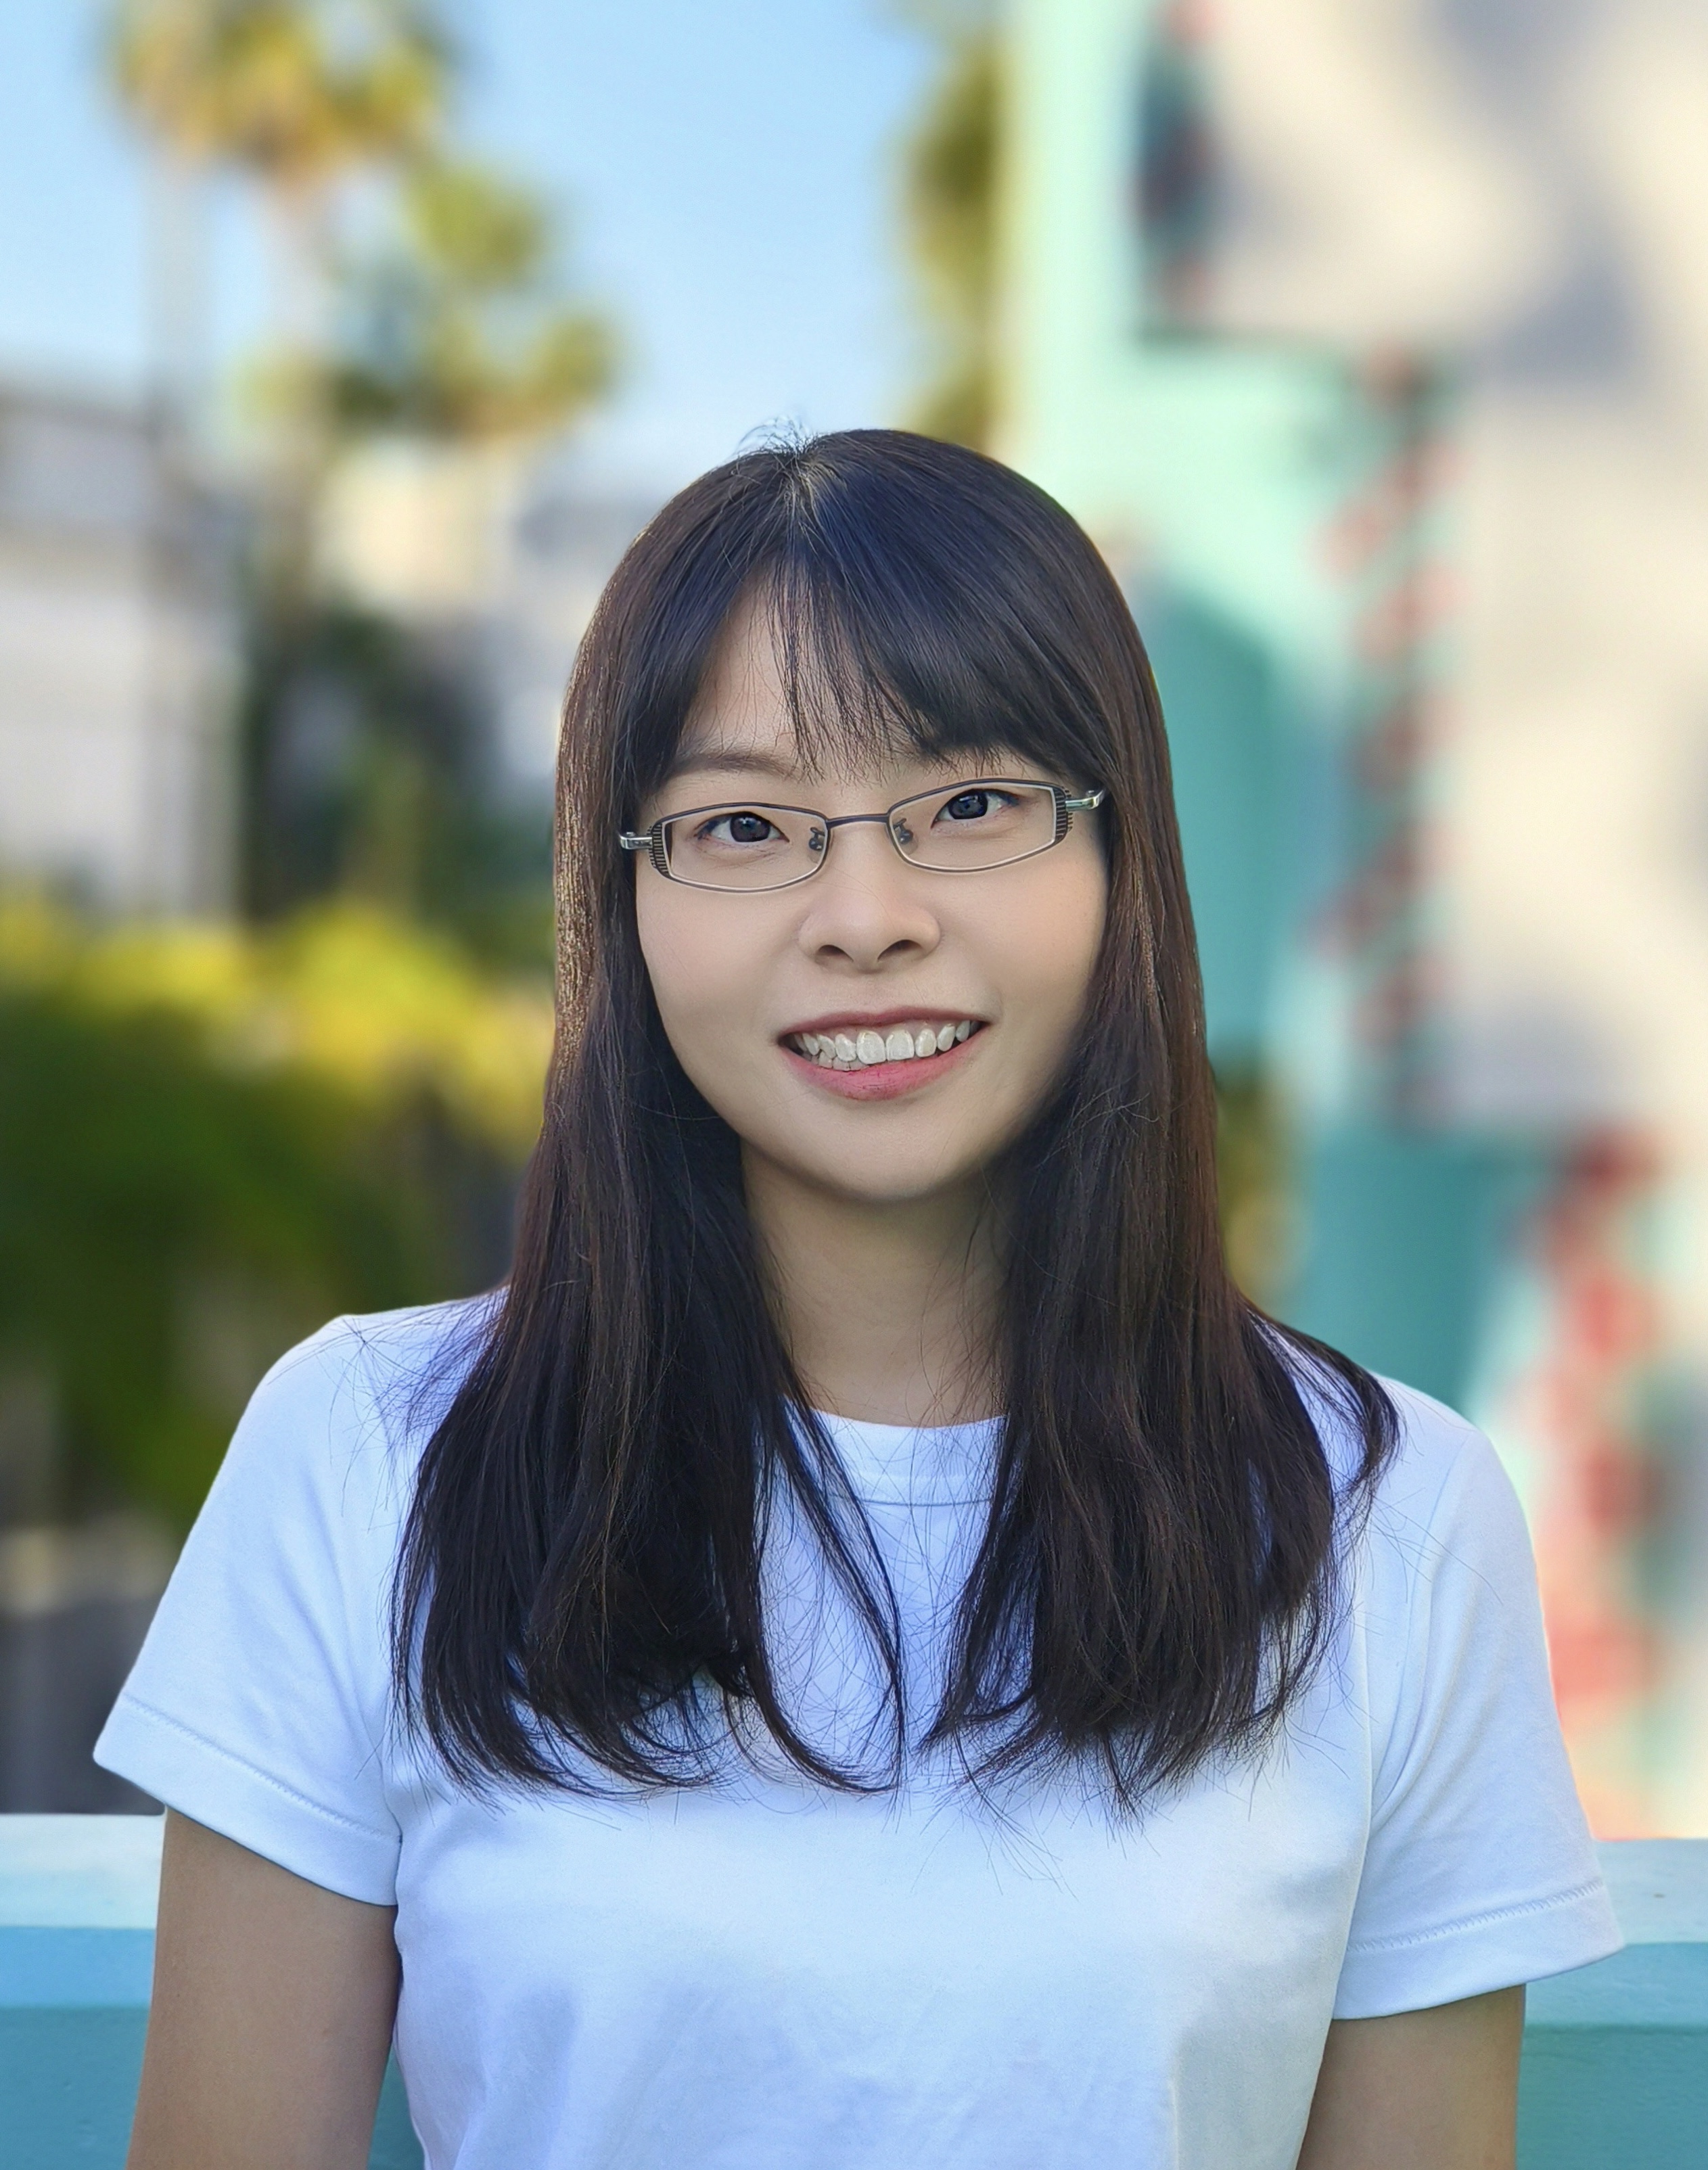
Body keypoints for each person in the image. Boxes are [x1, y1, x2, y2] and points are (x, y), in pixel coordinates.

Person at [97, 431, 1619, 2170]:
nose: (866, 917)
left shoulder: (1391, 1522)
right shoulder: (369, 1460)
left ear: (1122, 860)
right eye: (744, 823)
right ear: (625, 897)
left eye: (971, 805)